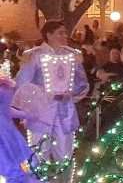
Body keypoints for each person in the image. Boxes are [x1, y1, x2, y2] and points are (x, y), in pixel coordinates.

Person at [0, 75, 69, 183]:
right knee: (15, 170)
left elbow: (5, 109)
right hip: (7, 135)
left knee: (20, 169)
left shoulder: (5, 82)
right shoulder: (5, 83)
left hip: (8, 135)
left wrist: (26, 114)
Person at [14, 20, 89, 164]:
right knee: (39, 153)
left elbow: (82, 84)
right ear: (49, 35)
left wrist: (70, 92)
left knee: (65, 154)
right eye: (60, 33)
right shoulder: (34, 56)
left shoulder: (71, 55)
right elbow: (22, 85)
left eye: (65, 33)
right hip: (41, 112)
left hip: (65, 111)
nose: (65, 36)